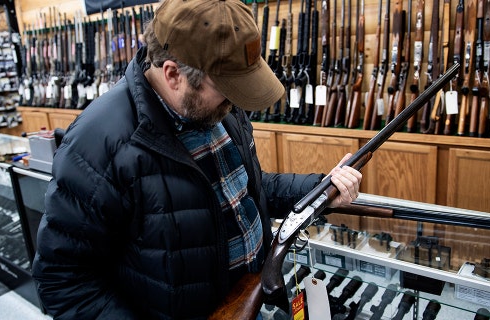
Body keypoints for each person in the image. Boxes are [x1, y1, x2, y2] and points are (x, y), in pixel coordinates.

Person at [31, 0, 362, 319]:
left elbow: (248, 188)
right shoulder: (98, 144)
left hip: (248, 300)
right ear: (174, 74)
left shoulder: (216, 110)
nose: (235, 102)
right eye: (227, 88)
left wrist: (322, 186)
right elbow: (63, 279)